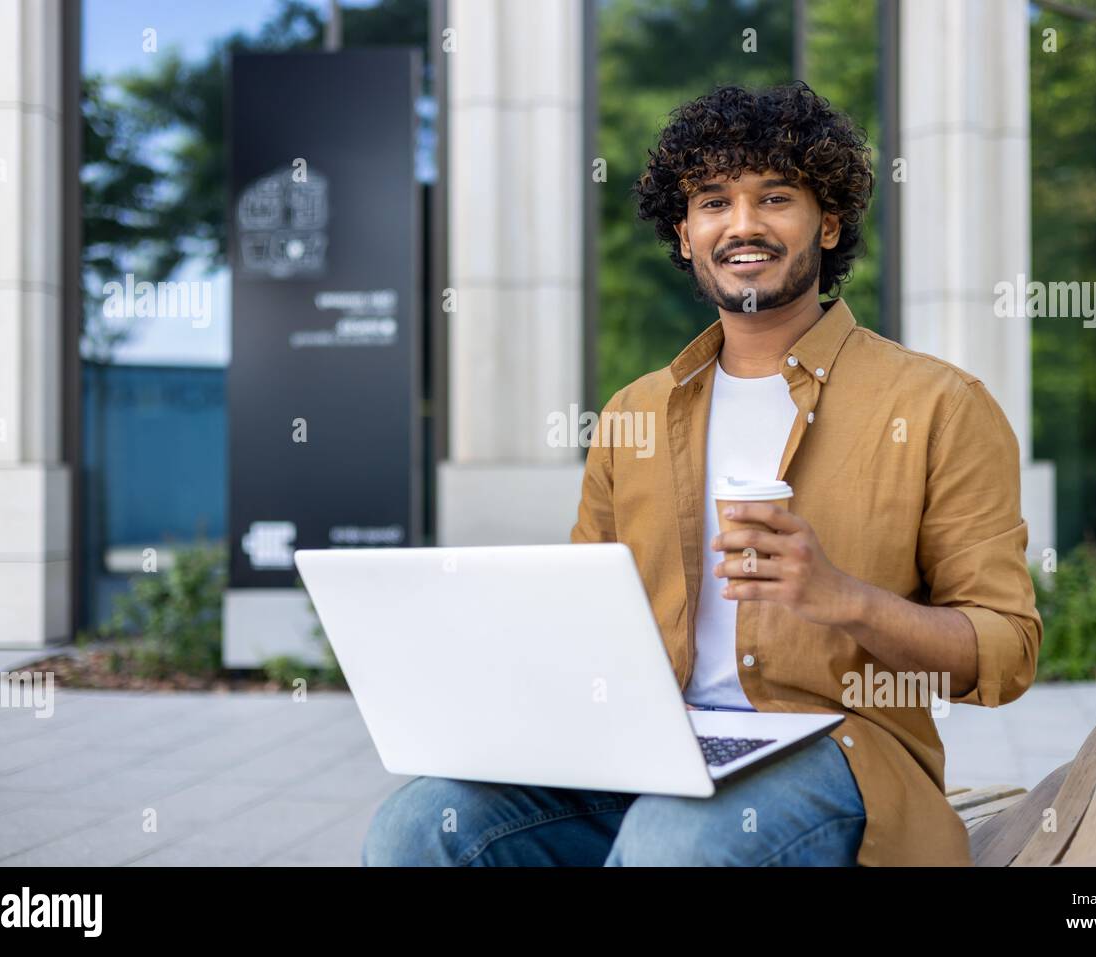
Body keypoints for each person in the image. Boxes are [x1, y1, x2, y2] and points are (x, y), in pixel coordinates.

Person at [363, 81, 1042, 866]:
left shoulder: (939, 405)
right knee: (417, 825)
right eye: (713, 202)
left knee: (671, 843)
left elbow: (1006, 648)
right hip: (645, 749)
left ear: (828, 223)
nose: (742, 224)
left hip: (844, 753)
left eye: (775, 197)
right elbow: (583, 622)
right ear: (684, 235)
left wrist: (846, 600)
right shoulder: (634, 413)